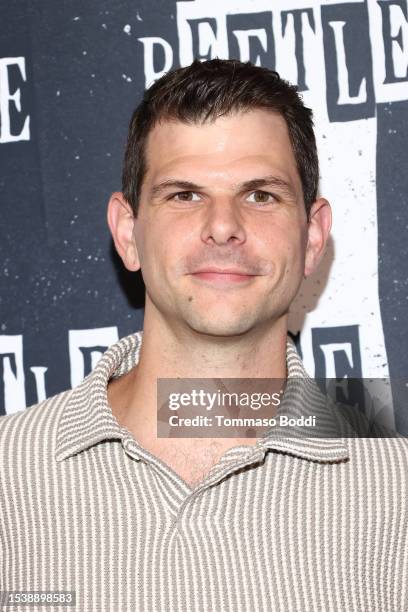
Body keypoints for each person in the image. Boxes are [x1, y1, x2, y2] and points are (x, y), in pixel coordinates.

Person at [0, 58, 407, 612]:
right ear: (128, 233)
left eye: (260, 195)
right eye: (184, 194)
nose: (222, 226)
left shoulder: (397, 483)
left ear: (312, 237)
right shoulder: (8, 472)